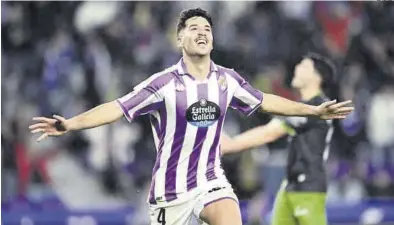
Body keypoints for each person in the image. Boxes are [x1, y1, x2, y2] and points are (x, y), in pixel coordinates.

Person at [29, 8, 353, 225]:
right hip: (169, 195)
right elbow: (116, 107)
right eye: (194, 28)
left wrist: (312, 109)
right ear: (180, 39)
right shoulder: (163, 84)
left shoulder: (227, 80)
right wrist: (70, 123)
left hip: (210, 182)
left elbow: (266, 101)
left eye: (207, 28)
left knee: (230, 213)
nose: (202, 32)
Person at [220, 53, 339, 225]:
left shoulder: (317, 108)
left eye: (304, 66)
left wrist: (231, 145)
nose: (297, 68)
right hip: (290, 186)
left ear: (317, 77)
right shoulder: (302, 108)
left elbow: (269, 132)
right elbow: (271, 128)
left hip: (308, 188)